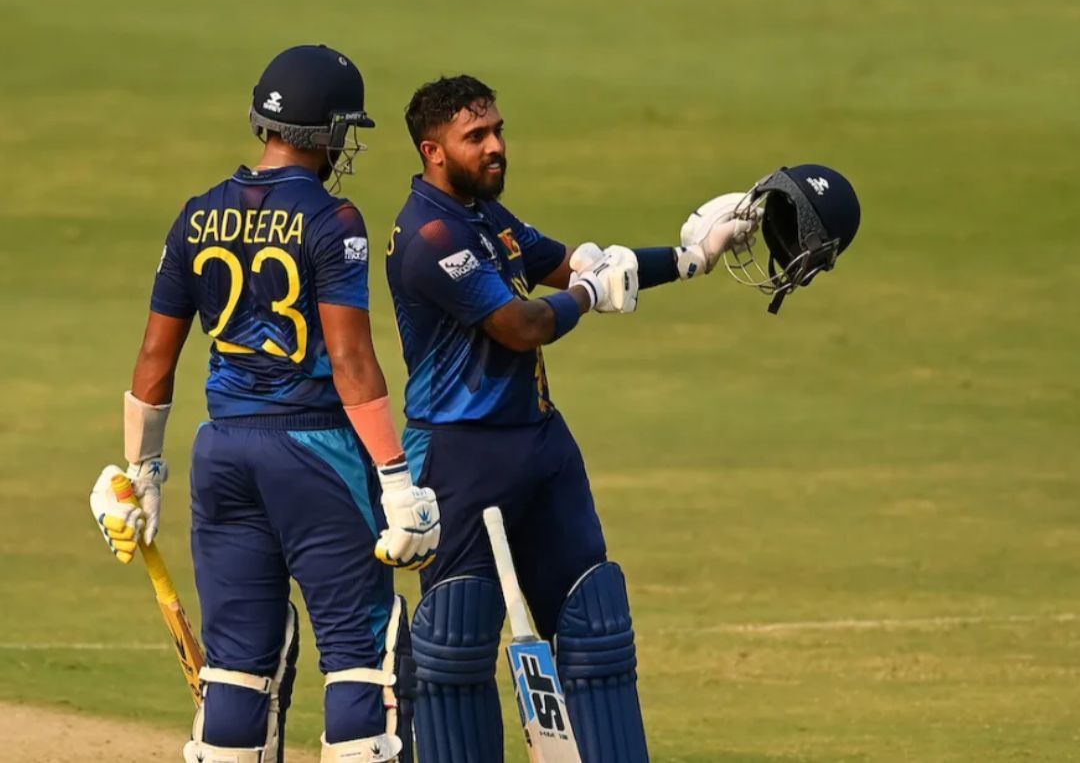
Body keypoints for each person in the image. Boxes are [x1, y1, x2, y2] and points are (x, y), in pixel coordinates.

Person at [385, 75, 761, 763]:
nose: (496, 146)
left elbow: (571, 264)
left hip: (541, 444)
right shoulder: (430, 235)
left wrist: (690, 258)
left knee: (595, 627)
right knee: (458, 648)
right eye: (477, 137)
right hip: (461, 456)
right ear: (432, 150)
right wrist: (590, 292)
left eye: (498, 129)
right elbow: (521, 324)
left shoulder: (487, 218)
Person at [88, 45, 440, 763]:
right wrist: (397, 481)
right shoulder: (333, 218)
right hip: (315, 452)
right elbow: (350, 360)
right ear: (331, 131)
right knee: (359, 656)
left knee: (236, 666)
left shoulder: (196, 216)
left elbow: (156, 358)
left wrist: (141, 471)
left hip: (222, 454)